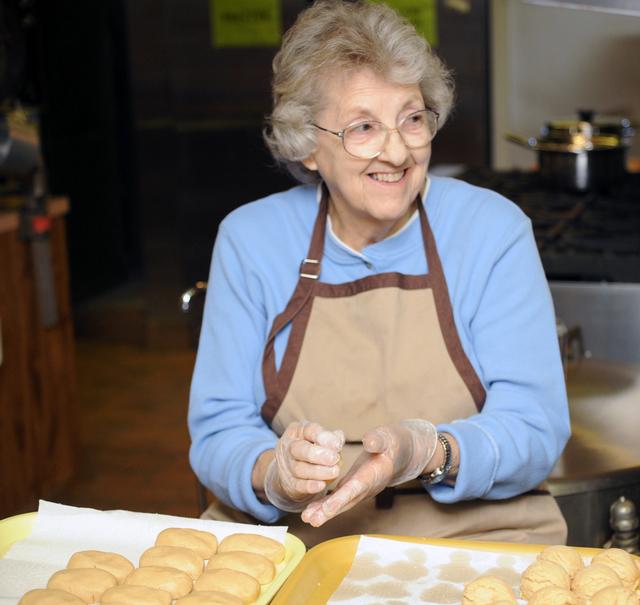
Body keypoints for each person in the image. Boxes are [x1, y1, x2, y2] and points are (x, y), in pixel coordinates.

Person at [188, 0, 570, 547]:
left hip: (478, 532)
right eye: (363, 127)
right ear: (307, 144)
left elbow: (535, 426)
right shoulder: (252, 241)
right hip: (300, 536)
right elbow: (218, 431)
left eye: (412, 119)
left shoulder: (491, 231)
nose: (397, 151)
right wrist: (272, 473)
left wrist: (430, 453)